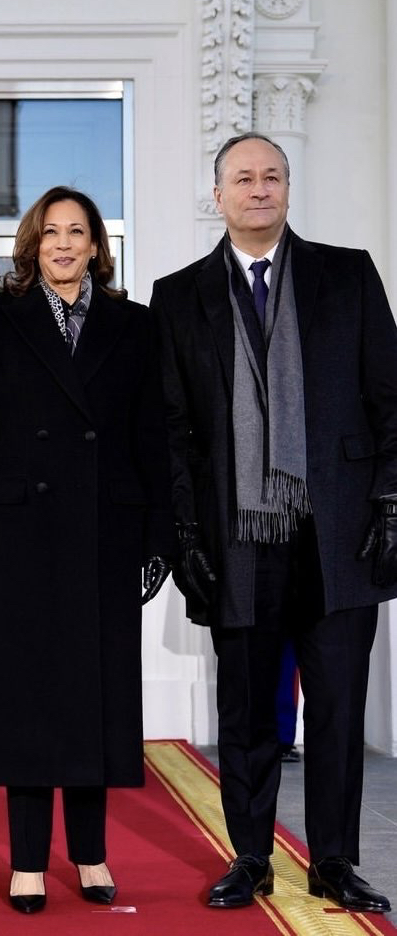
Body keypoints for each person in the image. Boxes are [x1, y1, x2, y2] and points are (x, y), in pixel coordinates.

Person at [150, 133, 397, 913]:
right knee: (248, 710)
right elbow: (173, 431)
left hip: (337, 533)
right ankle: (249, 856)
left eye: (271, 177)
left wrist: (390, 501)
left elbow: (389, 399)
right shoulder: (179, 293)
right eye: (242, 179)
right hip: (236, 537)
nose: (258, 189)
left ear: (287, 189)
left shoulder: (346, 274)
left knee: (334, 708)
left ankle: (333, 858)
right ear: (215, 195)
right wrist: (182, 535)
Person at [0, 186, 175, 914]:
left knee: (93, 699)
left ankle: (93, 854)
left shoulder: (134, 325)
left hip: (105, 530)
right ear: (31, 246)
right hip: (16, 535)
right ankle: (29, 861)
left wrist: (158, 535)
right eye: (50, 233)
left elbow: (153, 437)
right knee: (28, 701)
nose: (64, 244)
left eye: (77, 232)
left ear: (98, 246)